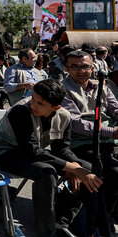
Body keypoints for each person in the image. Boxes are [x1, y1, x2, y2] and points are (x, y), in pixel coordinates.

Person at [0, 79, 103, 237]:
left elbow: (61, 149)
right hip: (4, 152)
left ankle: (61, 221)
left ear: (56, 107)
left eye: (40, 103)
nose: (33, 105)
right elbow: (32, 150)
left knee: (88, 168)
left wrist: (76, 167)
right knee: (46, 172)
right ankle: (46, 231)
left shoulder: (64, 115)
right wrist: (73, 168)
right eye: (33, 98)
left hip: (29, 152)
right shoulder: (20, 111)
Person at [60, 50, 118, 220]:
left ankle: (110, 208)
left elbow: (115, 109)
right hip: (81, 143)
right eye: (75, 66)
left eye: (85, 66)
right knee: (114, 172)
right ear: (66, 69)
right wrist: (112, 132)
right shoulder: (62, 89)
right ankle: (103, 214)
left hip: (107, 140)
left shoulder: (102, 87)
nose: (81, 70)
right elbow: (77, 124)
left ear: (92, 68)